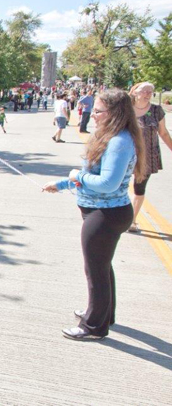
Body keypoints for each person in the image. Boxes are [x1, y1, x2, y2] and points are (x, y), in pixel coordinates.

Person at [42, 89, 146, 341]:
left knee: (95, 271)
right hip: (102, 213)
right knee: (102, 267)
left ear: (114, 112)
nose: (92, 115)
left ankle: (94, 326)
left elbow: (108, 183)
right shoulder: (111, 137)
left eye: (98, 111)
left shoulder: (119, 141)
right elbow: (93, 175)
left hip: (106, 215)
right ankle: (102, 313)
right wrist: (64, 183)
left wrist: (75, 175)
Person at [128, 82, 172, 232]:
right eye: (144, 91)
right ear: (134, 92)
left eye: (150, 91)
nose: (147, 93)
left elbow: (163, 133)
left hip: (147, 156)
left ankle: (132, 220)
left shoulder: (156, 110)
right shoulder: (126, 109)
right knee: (118, 185)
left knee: (139, 188)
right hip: (125, 154)